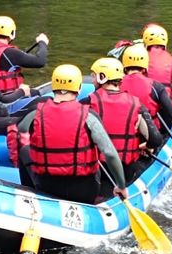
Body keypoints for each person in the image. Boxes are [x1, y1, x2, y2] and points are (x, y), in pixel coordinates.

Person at [16, 64, 127, 204]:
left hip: (47, 187)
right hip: (83, 191)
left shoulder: (35, 113)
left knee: (25, 151)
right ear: (79, 88)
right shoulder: (89, 117)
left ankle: (30, 195)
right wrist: (121, 186)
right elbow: (110, 153)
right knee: (94, 161)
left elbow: (21, 131)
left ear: (53, 86)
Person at [87, 57, 162, 191]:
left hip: (97, 169)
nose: (92, 80)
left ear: (102, 77)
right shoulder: (136, 104)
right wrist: (145, 146)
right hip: (125, 170)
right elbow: (156, 139)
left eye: (94, 76)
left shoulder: (87, 102)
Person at [119, 44, 172, 152]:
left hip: (121, 137)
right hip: (148, 137)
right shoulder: (155, 86)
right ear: (145, 66)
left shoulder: (115, 85)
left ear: (124, 65)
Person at [0, 15, 49, 94]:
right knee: (46, 97)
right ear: (12, 33)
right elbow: (40, 61)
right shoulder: (11, 53)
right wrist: (43, 43)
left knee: (35, 92)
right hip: (9, 98)